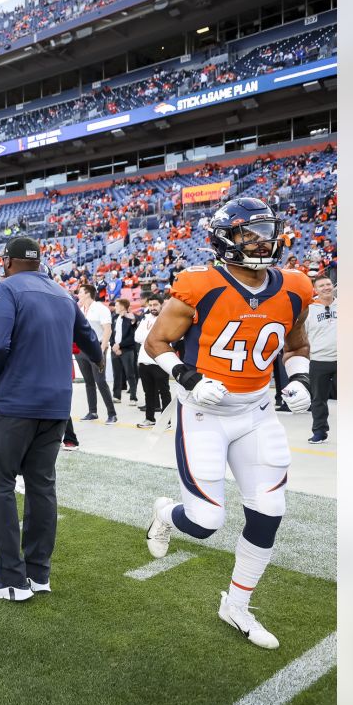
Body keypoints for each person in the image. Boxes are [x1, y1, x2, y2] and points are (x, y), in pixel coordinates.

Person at [143, 196, 315, 650]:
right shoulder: (199, 284)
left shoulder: (295, 286)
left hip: (257, 412)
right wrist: (188, 378)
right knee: (204, 522)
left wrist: (298, 380)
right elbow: (156, 342)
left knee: (269, 513)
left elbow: (296, 345)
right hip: (204, 413)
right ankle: (164, 513)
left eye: (266, 230)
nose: (262, 240)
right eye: (249, 233)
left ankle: (236, 606)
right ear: (224, 239)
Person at [0, 237, 103, 601]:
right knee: (42, 487)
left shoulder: (4, 289)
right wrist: (96, 360)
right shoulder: (63, 294)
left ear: (7, 262)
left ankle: (10, 578)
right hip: (56, 407)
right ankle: (38, 573)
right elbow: (90, 341)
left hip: (11, 404)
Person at [75, 285, 117, 424]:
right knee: (88, 382)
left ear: (87, 294)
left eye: (80, 291)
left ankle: (112, 414)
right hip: (81, 349)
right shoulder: (79, 309)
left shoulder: (101, 308)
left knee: (100, 381)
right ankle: (92, 411)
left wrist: (102, 349)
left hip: (97, 347)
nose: (78, 293)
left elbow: (107, 330)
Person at [305, 274, 337, 443]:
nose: (326, 287)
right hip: (318, 359)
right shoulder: (309, 308)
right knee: (318, 399)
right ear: (315, 290)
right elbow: (301, 335)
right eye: (322, 285)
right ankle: (319, 431)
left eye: (328, 284)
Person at [134, 295, 172, 429]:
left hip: (160, 360)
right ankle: (149, 418)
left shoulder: (168, 319)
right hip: (144, 360)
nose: (152, 308)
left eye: (155, 305)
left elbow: (163, 336)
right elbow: (137, 337)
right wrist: (151, 335)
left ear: (161, 305)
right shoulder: (146, 319)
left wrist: (149, 336)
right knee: (148, 392)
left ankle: (166, 421)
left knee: (164, 392)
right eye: (150, 305)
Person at [111, 298, 139, 406]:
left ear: (123, 306)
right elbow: (112, 334)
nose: (115, 307)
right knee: (116, 374)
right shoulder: (114, 318)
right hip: (114, 350)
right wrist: (114, 345)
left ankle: (133, 397)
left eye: (117, 305)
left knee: (130, 374)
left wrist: (120, 346)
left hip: (127, 350)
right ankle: (116, 396)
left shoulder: (131, 317)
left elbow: (132, 337)